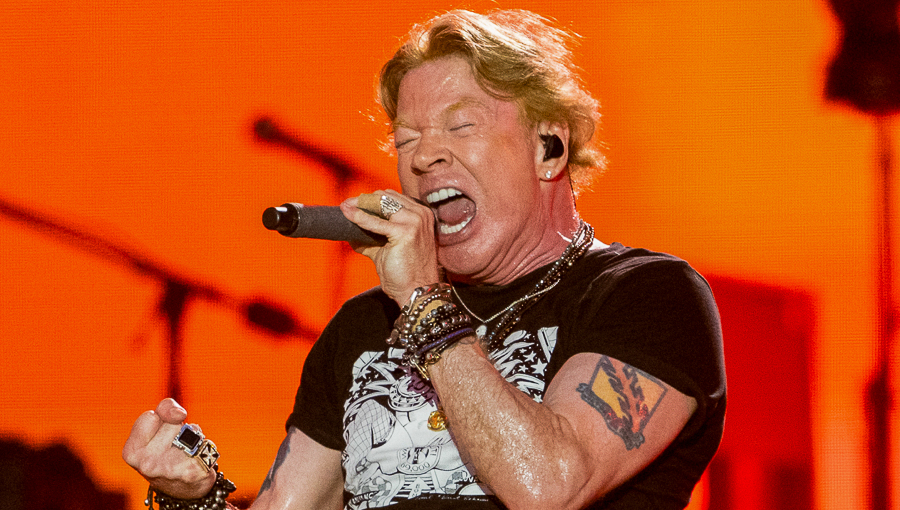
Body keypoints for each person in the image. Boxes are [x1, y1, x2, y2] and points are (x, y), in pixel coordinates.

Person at [123, 9, 726, 510]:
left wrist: (423, 301)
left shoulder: (649, 297)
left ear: (550, 146)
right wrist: (193, 498)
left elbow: (547, 488)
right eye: (406, 139)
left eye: (459, 126)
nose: (422, 157)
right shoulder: (363, 328)